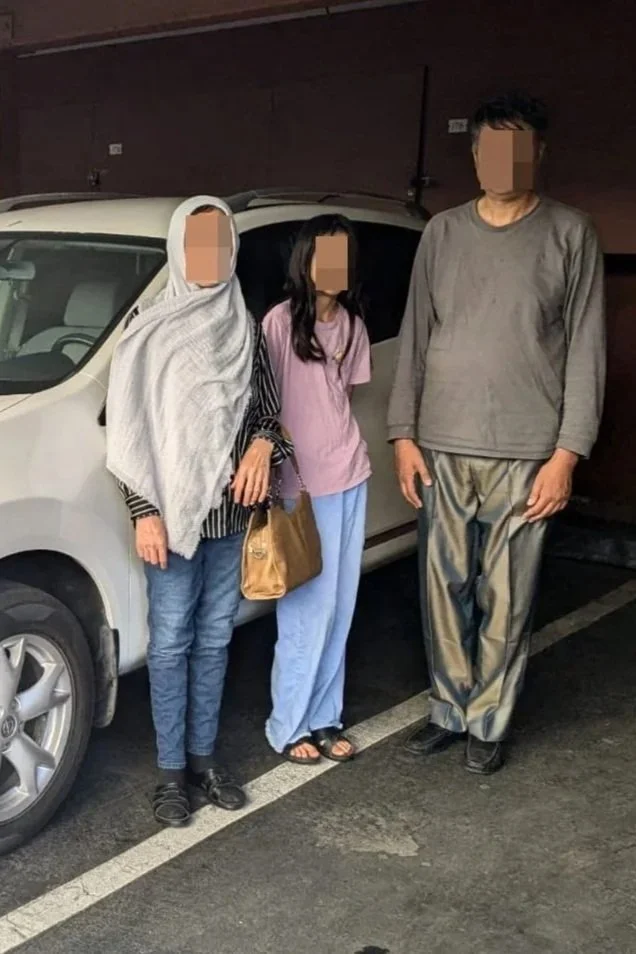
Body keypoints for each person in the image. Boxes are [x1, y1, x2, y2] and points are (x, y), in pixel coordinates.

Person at [388, 92, 606, 775]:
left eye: (518, 148)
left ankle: (490, 719)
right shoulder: (443, 233)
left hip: (527, 448)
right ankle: (449, 710)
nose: (503, 162)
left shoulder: (571, 234)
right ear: (476, 156)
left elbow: (587, 351)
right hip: (443, 441)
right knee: (443, 584)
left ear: (539, 154)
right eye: (490, 148)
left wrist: (567, 455)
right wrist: (402, 433)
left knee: (505, 595)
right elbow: (417, 338)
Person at [106, 195, 292, 826]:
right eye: (197, 242)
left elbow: (269, 414)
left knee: (214, 641)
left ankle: (205, 760)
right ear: (177, 249)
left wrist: (265, 445)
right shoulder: (148, 331)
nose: (208, 255)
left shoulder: (246, 327)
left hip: (229, 521)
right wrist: (143, 509)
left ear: (232, 249)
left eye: (220, 242)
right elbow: (127, 430)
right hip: (171, 521)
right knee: (169, 646)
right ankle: (168, 775)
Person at [262, 214, 372, 764]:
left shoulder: (351, 324)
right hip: (303, 488)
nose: (335, 268)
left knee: (341, 607)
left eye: (343, 257)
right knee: (306, 607)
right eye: (324, 256)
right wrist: (284, 475)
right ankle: (289, 724)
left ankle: (326, 717)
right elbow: (267, 409)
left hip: (352, 475)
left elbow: (343, 400)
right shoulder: (280, 324)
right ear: (304, 262)